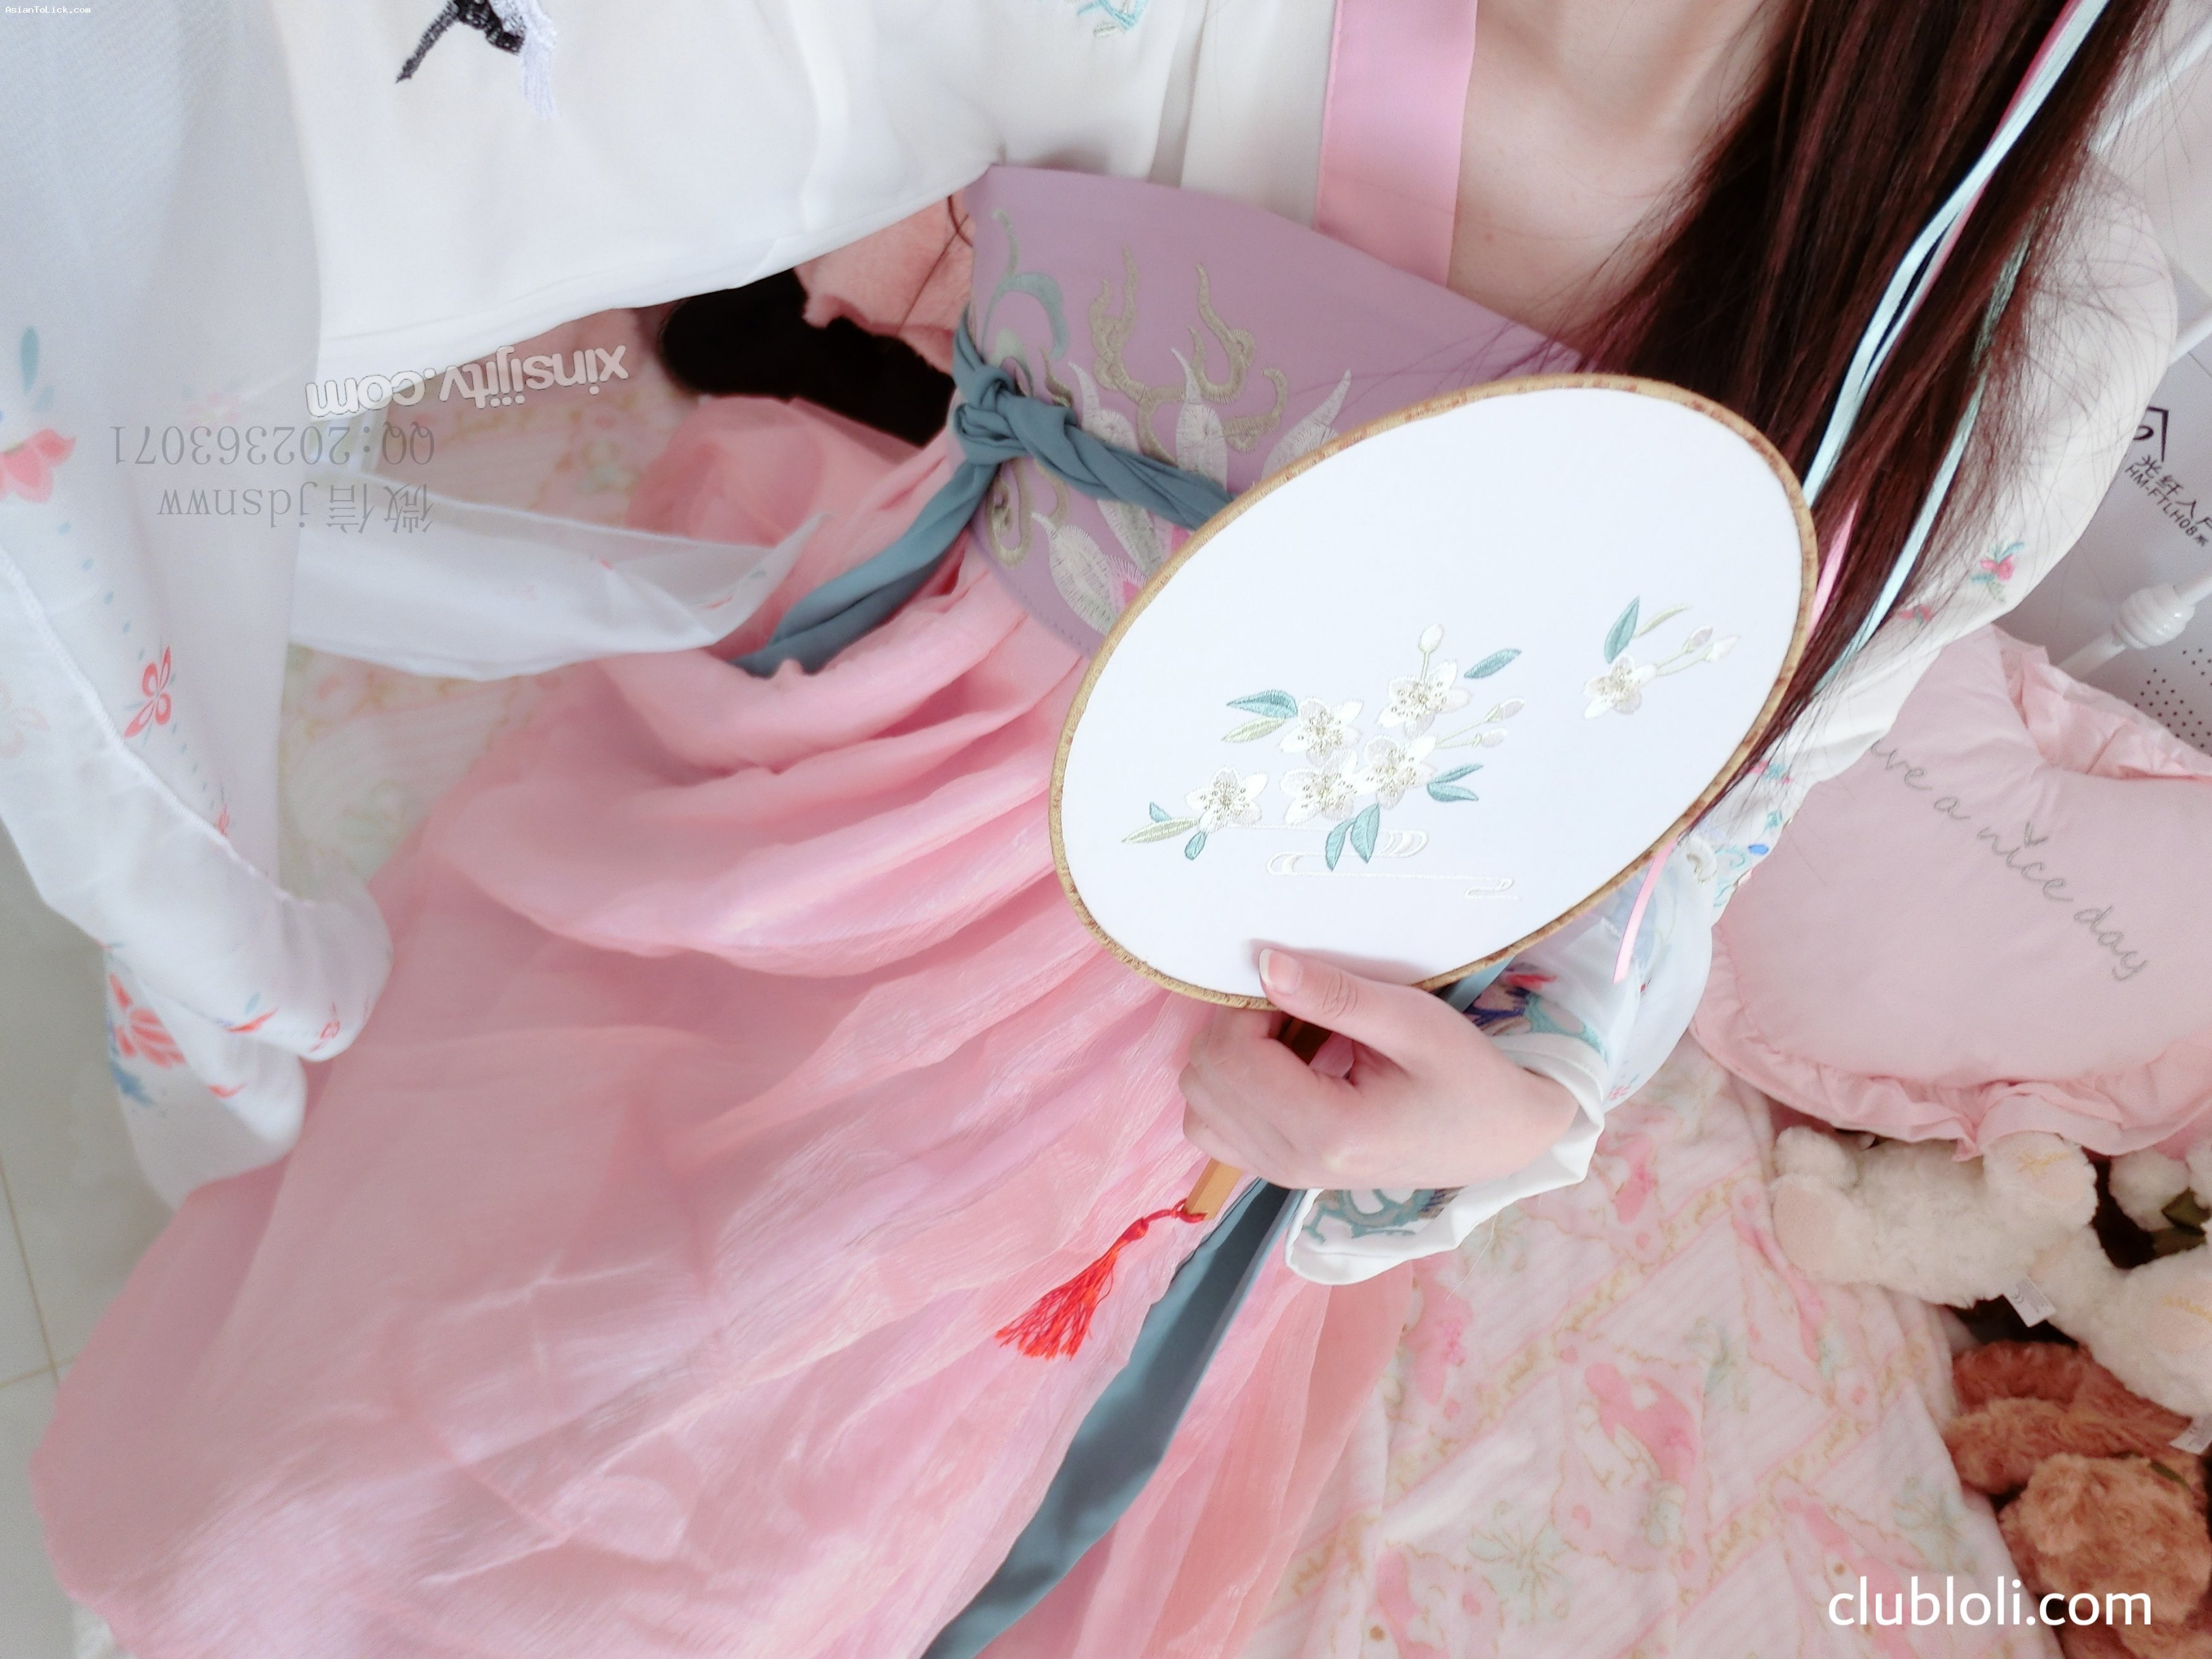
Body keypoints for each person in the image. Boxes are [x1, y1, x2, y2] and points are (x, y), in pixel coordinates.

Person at [33, 1, 2174, 1655]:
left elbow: (1711, 806)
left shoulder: (2034, 316)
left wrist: (1533, 1100)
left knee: (738, 1520)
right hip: (838, 789)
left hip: (1189, 1038)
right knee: (348, 1442)